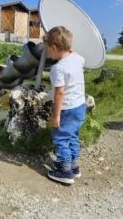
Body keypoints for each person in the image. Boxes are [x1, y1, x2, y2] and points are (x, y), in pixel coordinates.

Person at [43, 26, 86, 185]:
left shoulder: (57, 69)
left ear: (54, 48)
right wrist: (68, 48)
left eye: (48, 49)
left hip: (67, 109)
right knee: (73, 136)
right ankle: (74, 167)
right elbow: (81, 56)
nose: (47, 52)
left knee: (61, 139)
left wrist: (56, 116)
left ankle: (65, 172)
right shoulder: (76, 59)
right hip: (80, 107)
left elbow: (59, 93)